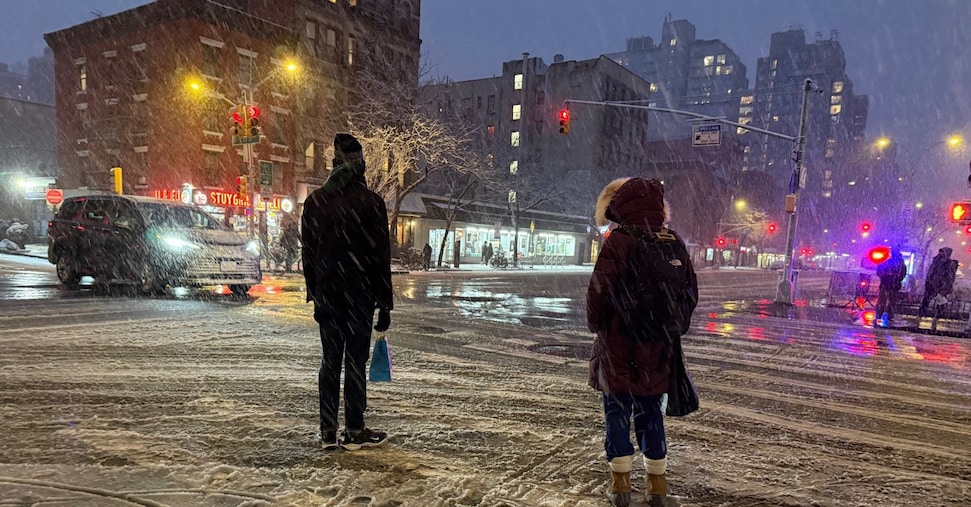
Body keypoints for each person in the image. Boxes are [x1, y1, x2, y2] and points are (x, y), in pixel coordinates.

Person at [586, 177, 698, 507]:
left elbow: (598, 292)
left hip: (618, 345)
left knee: (617, 413)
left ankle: (620, 486)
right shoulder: (671, 240)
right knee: (651, 413)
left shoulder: (619, 240)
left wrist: (598, 325)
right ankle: (657, 485)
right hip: (658, 348)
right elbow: (690, 293)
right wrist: (669, 327)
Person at [302, 133, 393, 451]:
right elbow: (381, 257)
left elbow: (309, 256)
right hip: (360, 298)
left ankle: (328, 430)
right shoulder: (372, 203)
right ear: (361, 166)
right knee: (355, 361)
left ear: (333, 165)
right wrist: (384, 304)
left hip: (329, 297)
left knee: (330, 362)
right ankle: (354, 430)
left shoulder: (315, 203)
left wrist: (315, 294)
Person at [918, 247, 958, 318]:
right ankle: (921, 314)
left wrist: (944, 288)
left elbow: (950, 278)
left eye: (943, 252)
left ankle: (938, 316)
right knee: (926, 301)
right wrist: (928, 282)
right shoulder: (936, 261)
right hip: (931, 285)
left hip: (940, 286)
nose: (941, 253)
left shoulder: (949, 264)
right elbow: (930, 272)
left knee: (940, 303)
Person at [875, 247, 907, 327]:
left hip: (888, 284)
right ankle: (887, 315)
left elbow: (879, 271)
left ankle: (881, 315)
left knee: (883, 301)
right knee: (889, 301)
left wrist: (886, 276)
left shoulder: (889, 262)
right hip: (892, 285)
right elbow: (902, 274)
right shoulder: (899, 263)